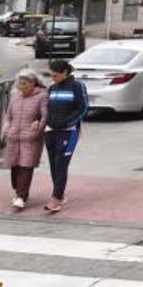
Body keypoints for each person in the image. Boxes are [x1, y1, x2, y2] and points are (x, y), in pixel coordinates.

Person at [43, 59, 88, 213]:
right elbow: (47, 108)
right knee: (54, 164)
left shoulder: (77, 87)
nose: (52, 79)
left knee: (62, 163)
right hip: (51, 131)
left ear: (65, 72)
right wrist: (48, 121)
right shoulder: (52, 88)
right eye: (51, 76)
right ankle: (59, 194)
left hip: (69, 132)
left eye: (55, 76)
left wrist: (66, 122)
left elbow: (83, 108)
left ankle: (56, 198)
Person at [0, 70, 47, 210]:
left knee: (26, 166)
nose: (21, 86)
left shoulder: (42, 96)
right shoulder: (14, 95)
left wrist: (37, 128)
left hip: (31, 138)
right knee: (14, 166)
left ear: (33, 83)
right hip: (13, 137)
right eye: (19, 83)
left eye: (24, 84)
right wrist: (6, 129)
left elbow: (44, 116)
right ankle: (18, 190)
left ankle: (21, 196)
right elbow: (8, 115)